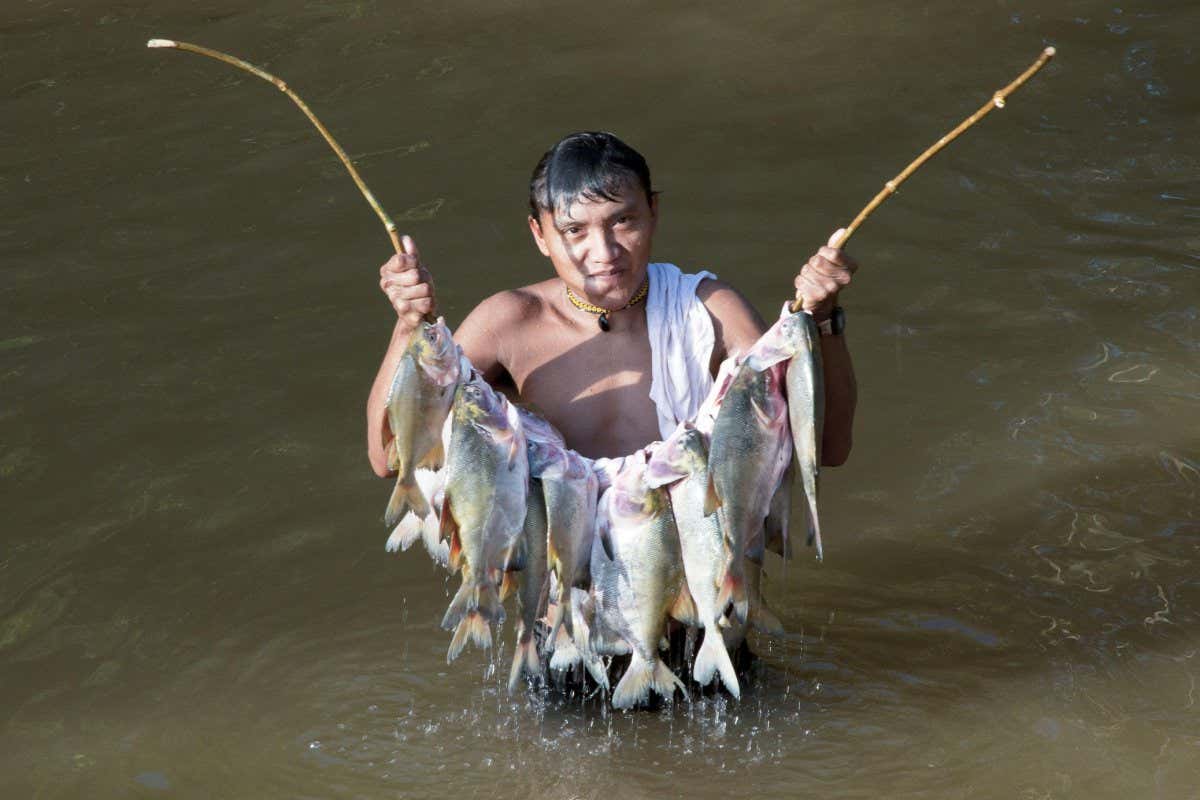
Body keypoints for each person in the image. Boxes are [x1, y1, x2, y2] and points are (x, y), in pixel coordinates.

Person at [366, 131, 857, 477]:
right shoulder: (508, 324)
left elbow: (827, 449)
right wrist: (409, 326)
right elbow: (391, 460)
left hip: (701, 595)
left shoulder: (708, 309)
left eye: (623, 222)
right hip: (563, 607)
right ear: (540, 235)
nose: (604, 254)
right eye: (574, 230)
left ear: (653, 212)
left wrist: (821, 318)